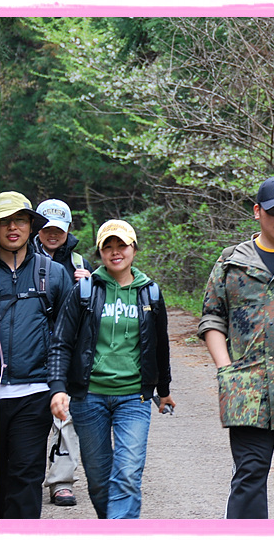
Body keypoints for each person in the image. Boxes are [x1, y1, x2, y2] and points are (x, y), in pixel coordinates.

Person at [198, 176, 274, 519]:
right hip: (247, 386)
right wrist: (225, 369)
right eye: (273, 211)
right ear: (257, 212)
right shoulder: (231, 262)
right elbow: (211, 318)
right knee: (250, 471)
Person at [48, 219, 175, 519]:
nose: (115, 252)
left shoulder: (150, 293)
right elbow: (61, 342)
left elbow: (160, 346)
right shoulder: (85, 291)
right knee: (99, 479)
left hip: (134, 397)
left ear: (134, 249)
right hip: (88, 397)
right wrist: (58, 388)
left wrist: (165, 390)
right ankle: (113, 525)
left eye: (122, 245)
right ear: (100, 252)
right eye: (108, 246)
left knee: (128, 473)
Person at [0, 191, 72, 519]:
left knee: (26, 476)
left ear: (31, 225)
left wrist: (61, 386)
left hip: (34, 392)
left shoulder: (53, 274)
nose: (12, 227)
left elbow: (68, 336)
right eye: (3, 221)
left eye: (20, 220)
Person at [35, 198, 94, 507]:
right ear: (37, 228)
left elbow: (99, 306)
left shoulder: (81, 263)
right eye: (46, 228)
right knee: (29, 416)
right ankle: (24, 477)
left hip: (68, 350)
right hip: (30, 349)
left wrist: (91, 285)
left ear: (69, 229)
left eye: (58, 229)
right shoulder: (18, 257)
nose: (52, 234)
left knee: (65, 417)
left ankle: (61, 481)